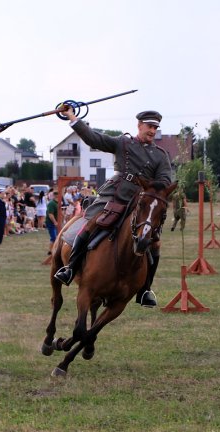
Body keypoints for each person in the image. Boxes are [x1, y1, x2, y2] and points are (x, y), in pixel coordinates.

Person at [54, 108, 172, 308]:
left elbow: (165, 180)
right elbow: (94, 139)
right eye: (149, 126)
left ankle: (145, 290)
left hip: (141, 201)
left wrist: (153, 189)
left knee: (155, 243)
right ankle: (71, 268)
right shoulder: (123, 143)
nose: (152, 131)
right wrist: (73, 117)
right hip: (115, 194)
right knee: (92, 223)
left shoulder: (160, 155)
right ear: (139, 125)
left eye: (155, 127)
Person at [45, 191, 59, 256]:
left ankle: (51, 251)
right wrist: (55, 222)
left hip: (55, 222)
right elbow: (50, 214)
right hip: (50, 222)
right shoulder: (51, 203)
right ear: (56, 196)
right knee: (53, 237)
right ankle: (51, 251)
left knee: (55, 237)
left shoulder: (58, 203)